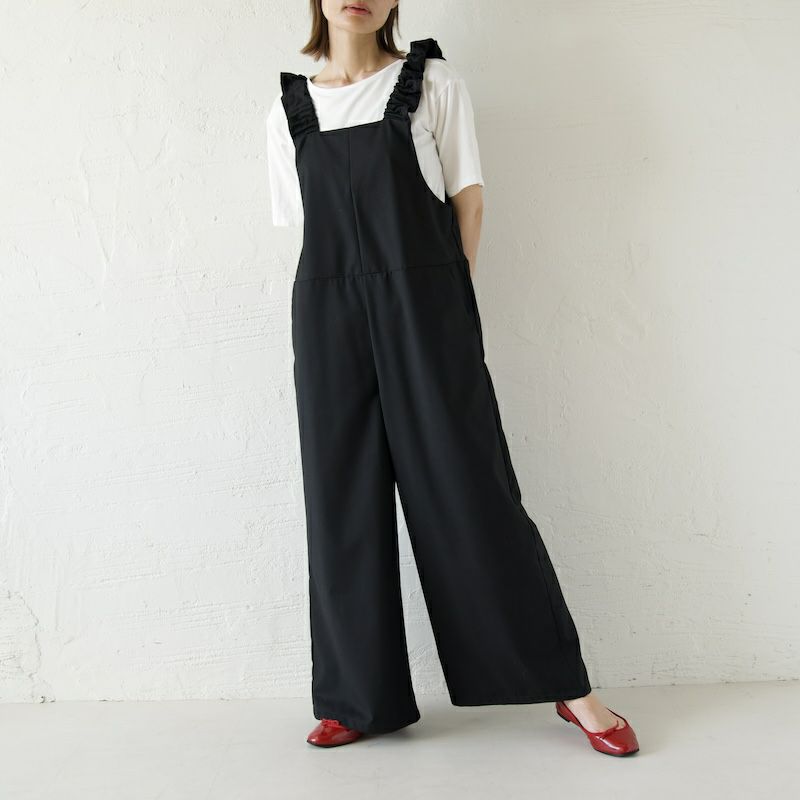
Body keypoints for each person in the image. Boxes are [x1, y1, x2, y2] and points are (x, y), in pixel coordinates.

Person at [266, 0, 639, 757]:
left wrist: (449, 304)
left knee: (471, 489)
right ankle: (358, 697)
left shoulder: (431, 84)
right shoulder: (288, 111)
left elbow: (469, 200)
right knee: (340, 500)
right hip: (328, 312)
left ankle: (568, 686)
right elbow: (305, 225)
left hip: (426, 304)